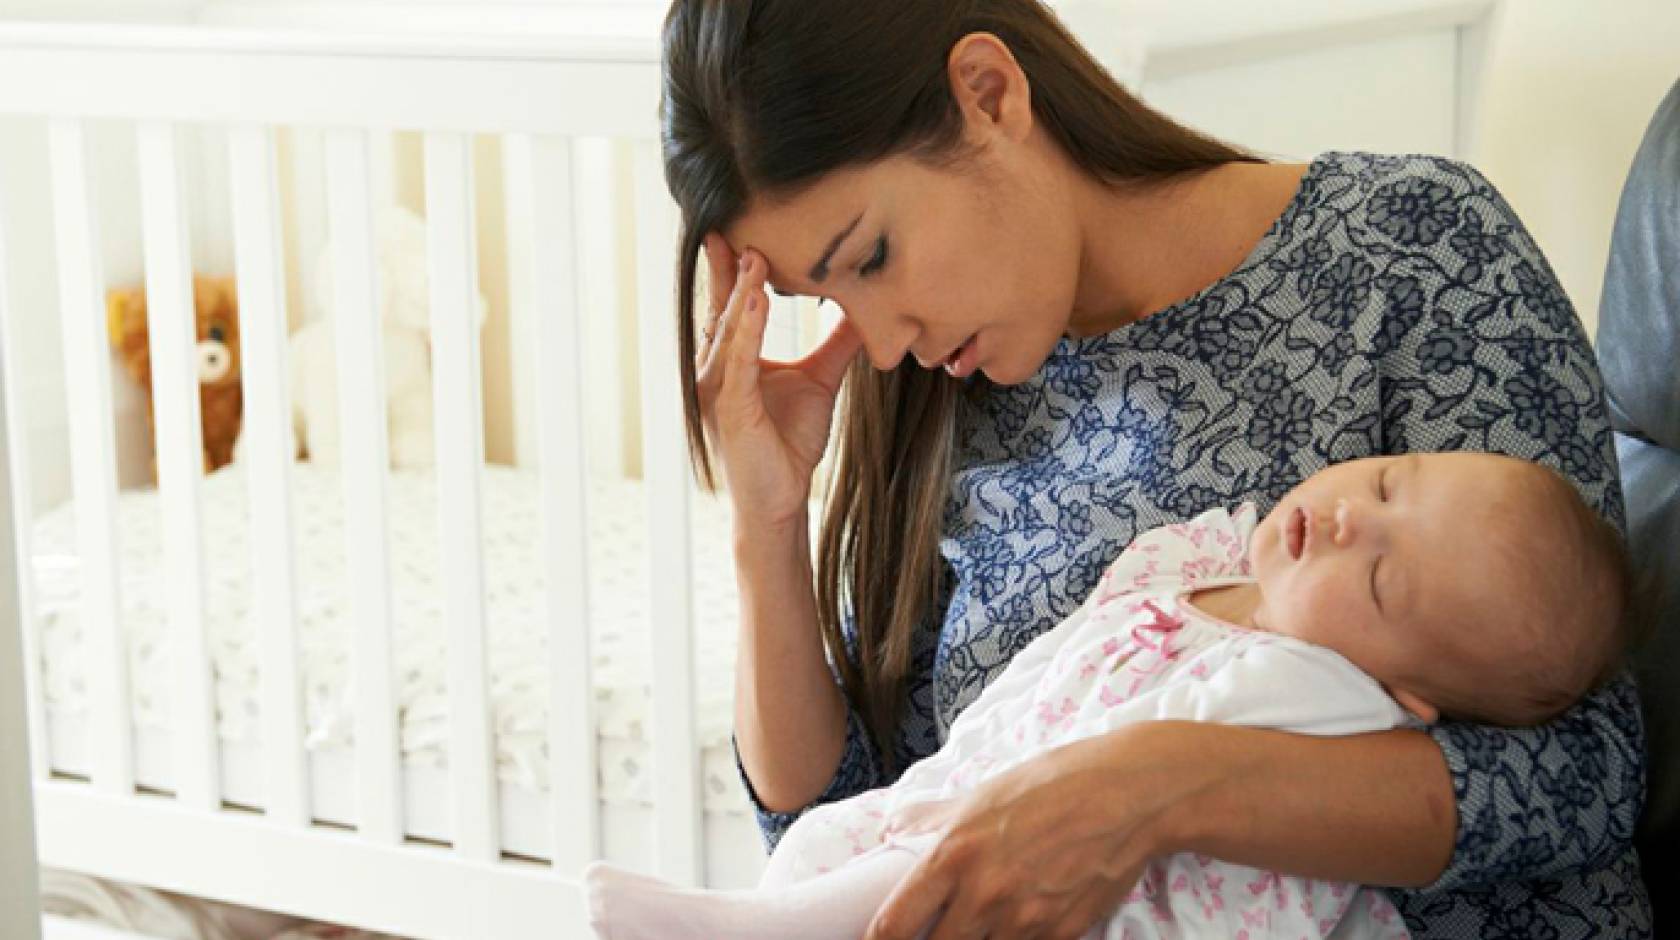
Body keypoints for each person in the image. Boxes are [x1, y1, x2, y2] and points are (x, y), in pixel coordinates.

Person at [658, 1, 1650, 936]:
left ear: (989, 93)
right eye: (818, 296)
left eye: (870, 256)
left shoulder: (1416, 248)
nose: (876, 343)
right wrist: (768, 522)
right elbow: (843, 851)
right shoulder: (938, 398)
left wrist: (1155, 785)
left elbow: (1585, 770)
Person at [581, 452, 1631, 939]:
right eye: (1391, 481)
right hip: (975, 782)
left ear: (1409, 691)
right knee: (824, 843)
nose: (1356, 520)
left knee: (898, 880)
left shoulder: (1328, 692)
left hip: (1108, 898)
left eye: (1386, 579)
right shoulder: (1209, 555)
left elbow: (1599, 773)